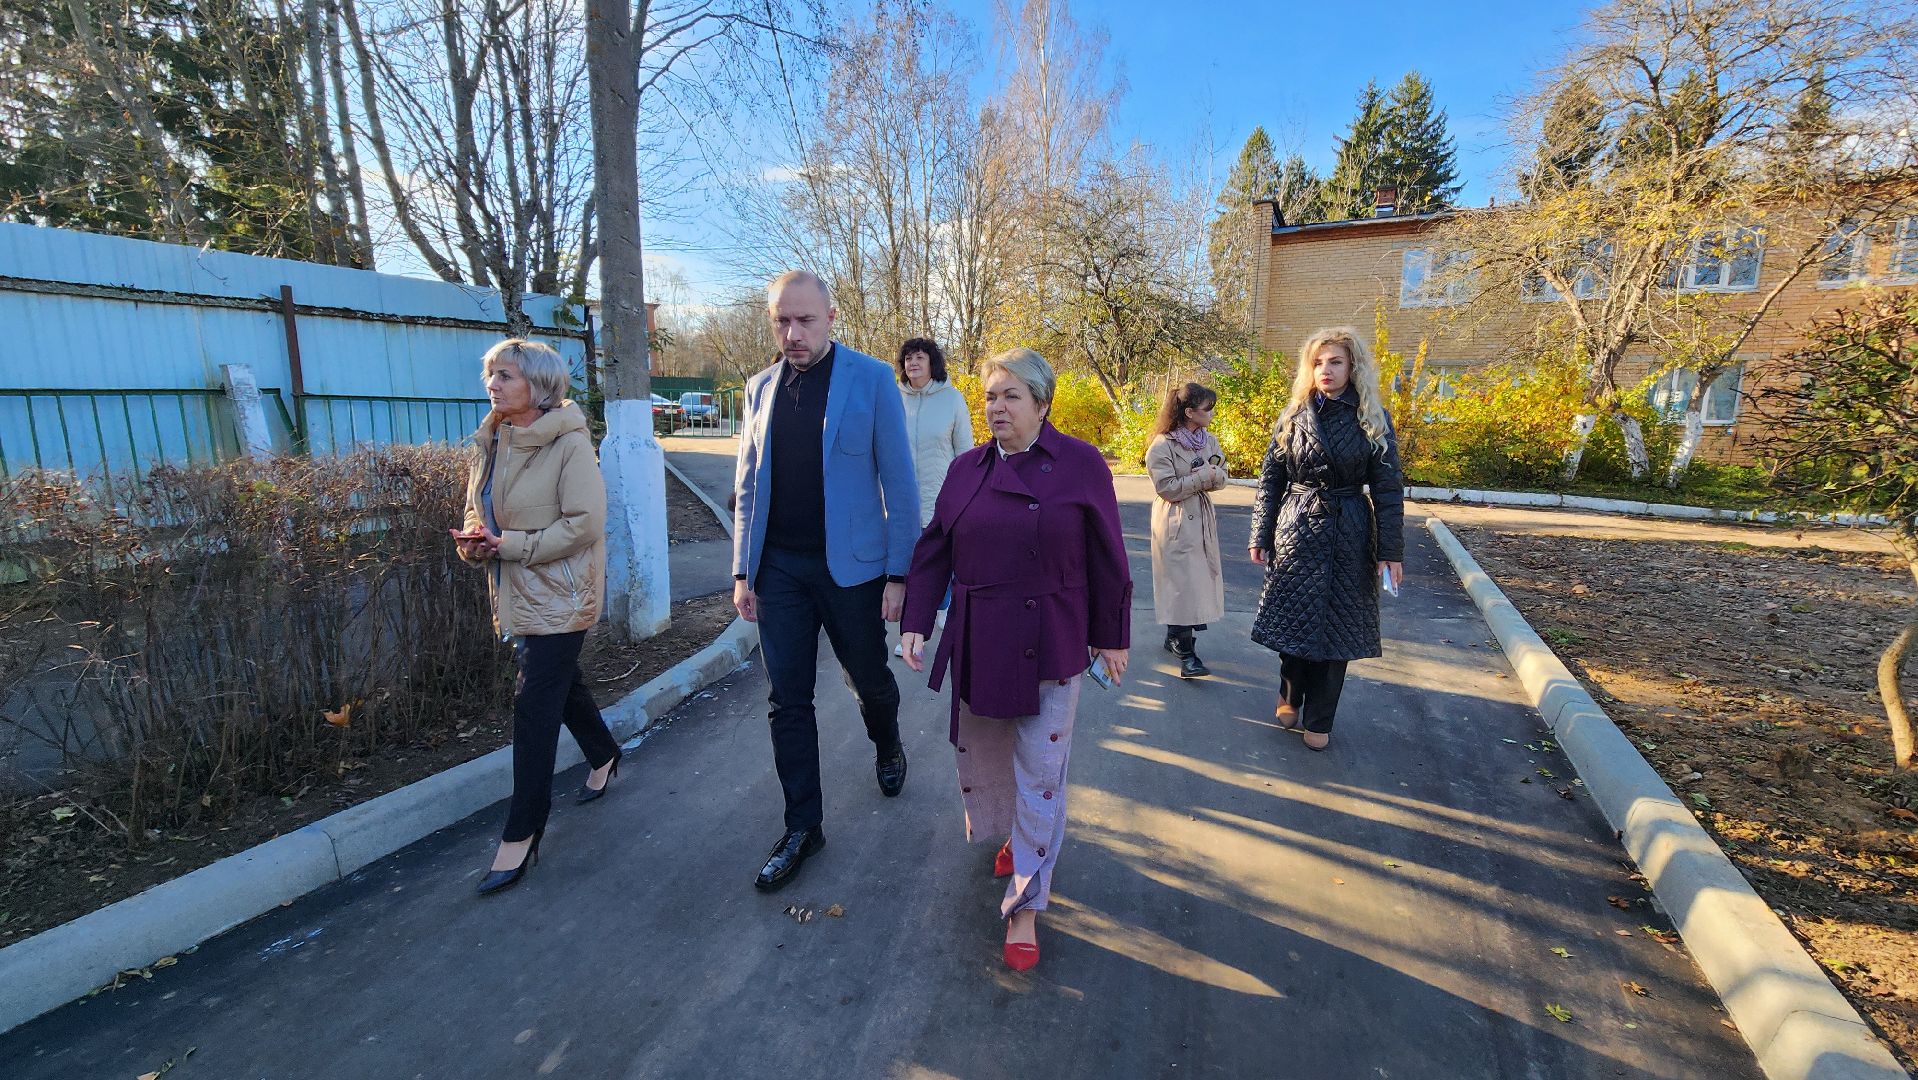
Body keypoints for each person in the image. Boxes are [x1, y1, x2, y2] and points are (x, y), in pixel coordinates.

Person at [900, 348, 1132, 972]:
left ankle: (1027, 901)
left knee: (1042, 770)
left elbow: (1109, 554)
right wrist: (917, 621)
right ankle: (1016, 837)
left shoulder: (1081, 464)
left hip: (1053, 636)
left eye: (1010, 397)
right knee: (987, 755)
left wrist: (1113, 634)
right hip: (980, 635)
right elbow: (933, 550)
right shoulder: (966, 469)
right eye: (990, 397)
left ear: (1042, 403)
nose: (996, 407)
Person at [732, 270, 919, 892]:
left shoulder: (870, 380)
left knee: (869, 678)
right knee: (787, 699)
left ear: (832, 316)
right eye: (782, 321)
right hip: (779, 569)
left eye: (805, 320)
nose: (793, 333)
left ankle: (887, 743)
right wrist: (742, 569)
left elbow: (900, 483)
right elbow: (748, 487)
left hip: (852, 571)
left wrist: (899, 573)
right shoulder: (758, 389)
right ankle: (803, 826)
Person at [452, 339, 619, 896]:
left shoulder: (569, 444)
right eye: (490, 374)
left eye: (506, 376)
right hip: (517, 588)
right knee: (560, 685)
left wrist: (510, 546)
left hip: (563, 594)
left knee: (533, 705)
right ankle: (604, 753)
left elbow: (584, 524)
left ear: (540, 386)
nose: (493, 385)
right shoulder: (492, 438)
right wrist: (477, 540)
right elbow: (482, 508)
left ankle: (521, 833)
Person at [1248, 326, 1406, 752]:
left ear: (1352, 366)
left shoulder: (1372, 417)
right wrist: (1260, 532)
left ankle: (1320, 718)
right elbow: (1271, 479)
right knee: (1293, 622)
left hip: (1350, 532)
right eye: (1318, 363)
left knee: (1337, 631)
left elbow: (1389, 490)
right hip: (1296, 529)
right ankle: (1290, 692)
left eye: (1335, 361)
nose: (1326, 370)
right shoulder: (1294, 415)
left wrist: (1391, 551)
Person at [894, 336, 973, 654]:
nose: (913, 363)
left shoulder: (952, 399)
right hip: (901, 497)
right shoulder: (893, 398)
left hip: (942, 495)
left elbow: (965, 450)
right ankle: (913, 631)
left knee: (939, 558)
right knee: (912, 563)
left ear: (932, 363)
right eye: (908, 358)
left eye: (919, 357)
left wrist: (967, 492)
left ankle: (940, 608)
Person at [1145, 382, 1228, 679]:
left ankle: (1174, 637)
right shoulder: (1162, 445)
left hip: (1202, 517)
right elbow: (1167, 488)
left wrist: (1206, 476)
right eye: (1208, 409)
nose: (1213, 415)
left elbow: (1222, 476)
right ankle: (1186, 653)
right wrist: (1203, 477)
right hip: (1175, 518)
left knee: (1197, 581)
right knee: (1180, 582)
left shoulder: (1209, 440)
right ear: (1190, 412)